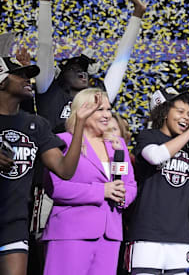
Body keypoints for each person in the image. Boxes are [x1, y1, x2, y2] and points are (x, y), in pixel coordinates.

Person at [0, 56, 97, 275]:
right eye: (21, 75)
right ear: (1, 81)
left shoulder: (35, 125)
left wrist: (79, 122)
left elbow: (65, 170)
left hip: (13, 223)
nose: (28, 80)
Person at [31, 0, 147, 132]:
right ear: (60, 74)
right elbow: (44, 46)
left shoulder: (98, 98)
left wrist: (137, 15)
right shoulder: (49, 90)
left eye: (85, 70)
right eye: (74, 68)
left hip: (90, 156)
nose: (82, 73)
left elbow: (121, 61)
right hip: (55, 156)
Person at [41, 88, 137, 274]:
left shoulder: (117, 144)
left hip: (110, 235)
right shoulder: (63, 141)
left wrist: (124, 196)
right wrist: (102, 191)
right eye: (100, 109)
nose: (107, 115)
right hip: (71, 234)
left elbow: (131, 184)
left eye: (109, 109)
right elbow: (57, 188)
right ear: (82, 110)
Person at [128, 88, 189, 275]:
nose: (186, 117)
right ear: (163, 112)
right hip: (148, 235)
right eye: (180, 111)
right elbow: (155, 156)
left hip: (181, 236)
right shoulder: (149, 136)